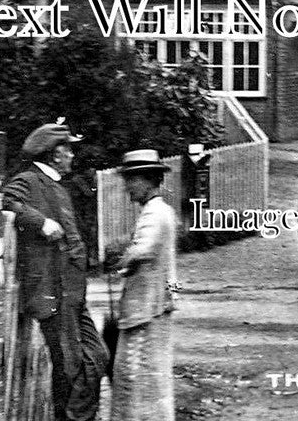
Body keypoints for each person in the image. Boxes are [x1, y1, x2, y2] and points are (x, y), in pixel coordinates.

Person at [1, 123, 107, 421]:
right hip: (53, 293)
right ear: (54, 154)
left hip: (73, 294)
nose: (72, 155)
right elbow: (5, 200)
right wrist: (40, 222)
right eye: (68, 149)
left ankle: (76, 416)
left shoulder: (58, 185)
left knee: (97, 355)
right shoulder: (29, 180)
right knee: (69, 367)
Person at [111, 149, 178, 421]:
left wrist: (121, 260)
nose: (127, 187)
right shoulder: (159, 211)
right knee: (149, 379)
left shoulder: (155, 212)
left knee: (134, 376)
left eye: (132, 179)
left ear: (148, 180)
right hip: (152, 305)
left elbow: (143, 250)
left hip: (146, 308)